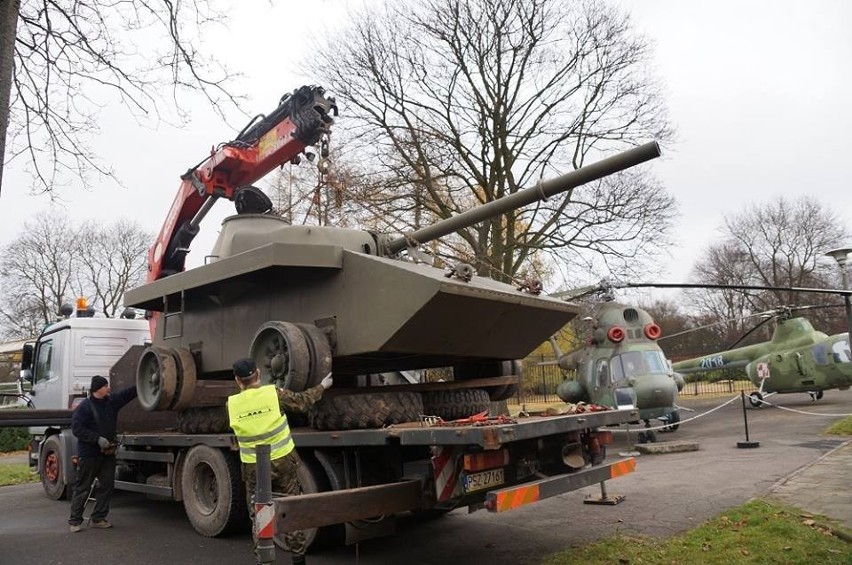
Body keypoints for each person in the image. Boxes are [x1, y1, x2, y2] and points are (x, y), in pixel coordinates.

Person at [227, 358, 332, 565]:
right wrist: (323, 386)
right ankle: (298, 559)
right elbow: (302, 402)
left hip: (253, 469)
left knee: (260, 514)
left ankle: (265, 560)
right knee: (290, 511)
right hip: (283, 463)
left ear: (237, 380)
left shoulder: (232, 404)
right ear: (258, 373)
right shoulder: (273, 394)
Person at [68, 375, 138, 532]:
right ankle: (74, 521)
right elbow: (77, 429)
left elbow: (128, 394)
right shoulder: (84, 407)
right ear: (98, 389)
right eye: (106, 386)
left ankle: (98, 518)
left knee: (107, 486)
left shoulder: (111, 402)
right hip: (89, 454)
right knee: (83, 487)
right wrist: (97, 439)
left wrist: (141, 383)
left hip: (107, 454)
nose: (109, 388)